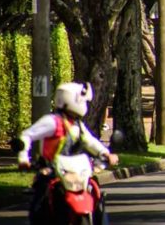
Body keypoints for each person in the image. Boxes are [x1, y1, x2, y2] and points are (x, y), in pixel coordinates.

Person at [17, 82, 119, 224]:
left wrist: (106, 153)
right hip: (52, 169)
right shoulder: (52, 122)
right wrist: (23, 158)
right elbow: (27, 135)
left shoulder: (77, 124)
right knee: (40, 195)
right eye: (81, 100)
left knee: (94, 190)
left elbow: (89, 141)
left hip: (74, 170)